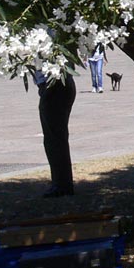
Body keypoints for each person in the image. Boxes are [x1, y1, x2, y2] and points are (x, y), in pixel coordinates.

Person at [34, 67, 76, 196]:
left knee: (54, 139)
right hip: (55, 86)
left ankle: (62, 184)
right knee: (55, 138)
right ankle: (61, 182)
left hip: (54, 87)